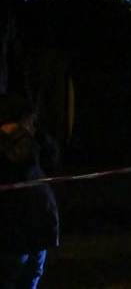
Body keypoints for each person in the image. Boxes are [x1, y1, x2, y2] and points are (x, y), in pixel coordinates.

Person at [0, 93, 59, 289]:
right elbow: (23, 161)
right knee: (12, 276)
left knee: (31, 275)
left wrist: (39, 136)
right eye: (30, 119)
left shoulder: (34, 141)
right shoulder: (21, 144)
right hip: (14, 232)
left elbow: (52, 160)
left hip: (36, 227)